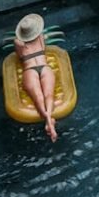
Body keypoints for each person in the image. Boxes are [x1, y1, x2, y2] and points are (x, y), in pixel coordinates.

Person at [14, 13, 58, 142]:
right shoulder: (40, 37)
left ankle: (47, 120)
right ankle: (50, 120)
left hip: (29, 70)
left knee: (38, 97)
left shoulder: (18, 43)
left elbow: (19, 56)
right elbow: (43, 48)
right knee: (48, 95)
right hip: (45, 67)